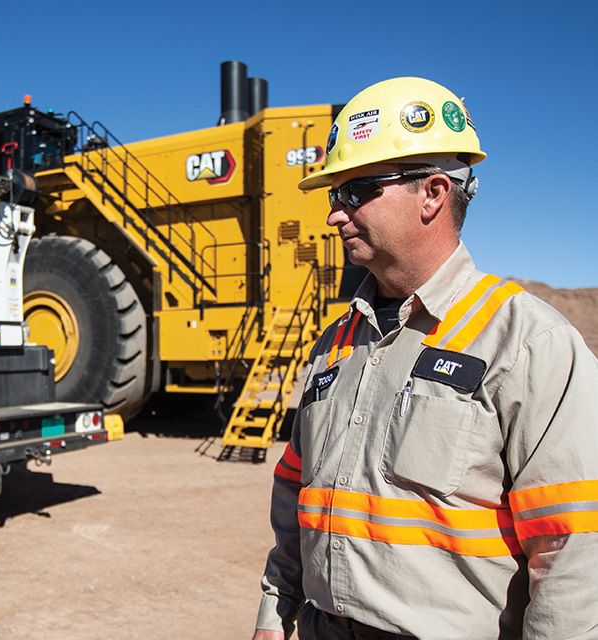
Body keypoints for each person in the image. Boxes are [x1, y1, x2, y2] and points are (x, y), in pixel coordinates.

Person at [253, 78, 598, 639]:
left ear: (434, 193)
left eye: (354, 192)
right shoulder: (335, 344)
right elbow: (296, 493)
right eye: (332, 196)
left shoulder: (525, 341)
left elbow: (575, 545)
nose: (334, 215)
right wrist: (275, 611)